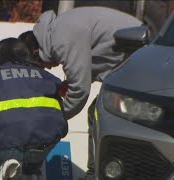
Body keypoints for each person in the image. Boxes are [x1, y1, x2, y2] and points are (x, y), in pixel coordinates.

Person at [31, 7, 142, 180]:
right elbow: (93, 61)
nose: (49, 67)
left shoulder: (61, 39)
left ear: (35, 52)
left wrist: (55, 119)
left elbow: (80, 90)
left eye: (43, 66)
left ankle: (96, 175)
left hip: (142, 62)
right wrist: (70, 84)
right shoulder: (60, 28)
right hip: (136, 60)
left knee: (101, 113)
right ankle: (97, 173)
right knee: (99, 112)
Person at [0, 37, 68, 180]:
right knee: (33, 145)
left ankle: (1, 168)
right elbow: (61, 91)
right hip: (44, 142)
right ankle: (31, 172)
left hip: (7, 142)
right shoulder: (43, 73)